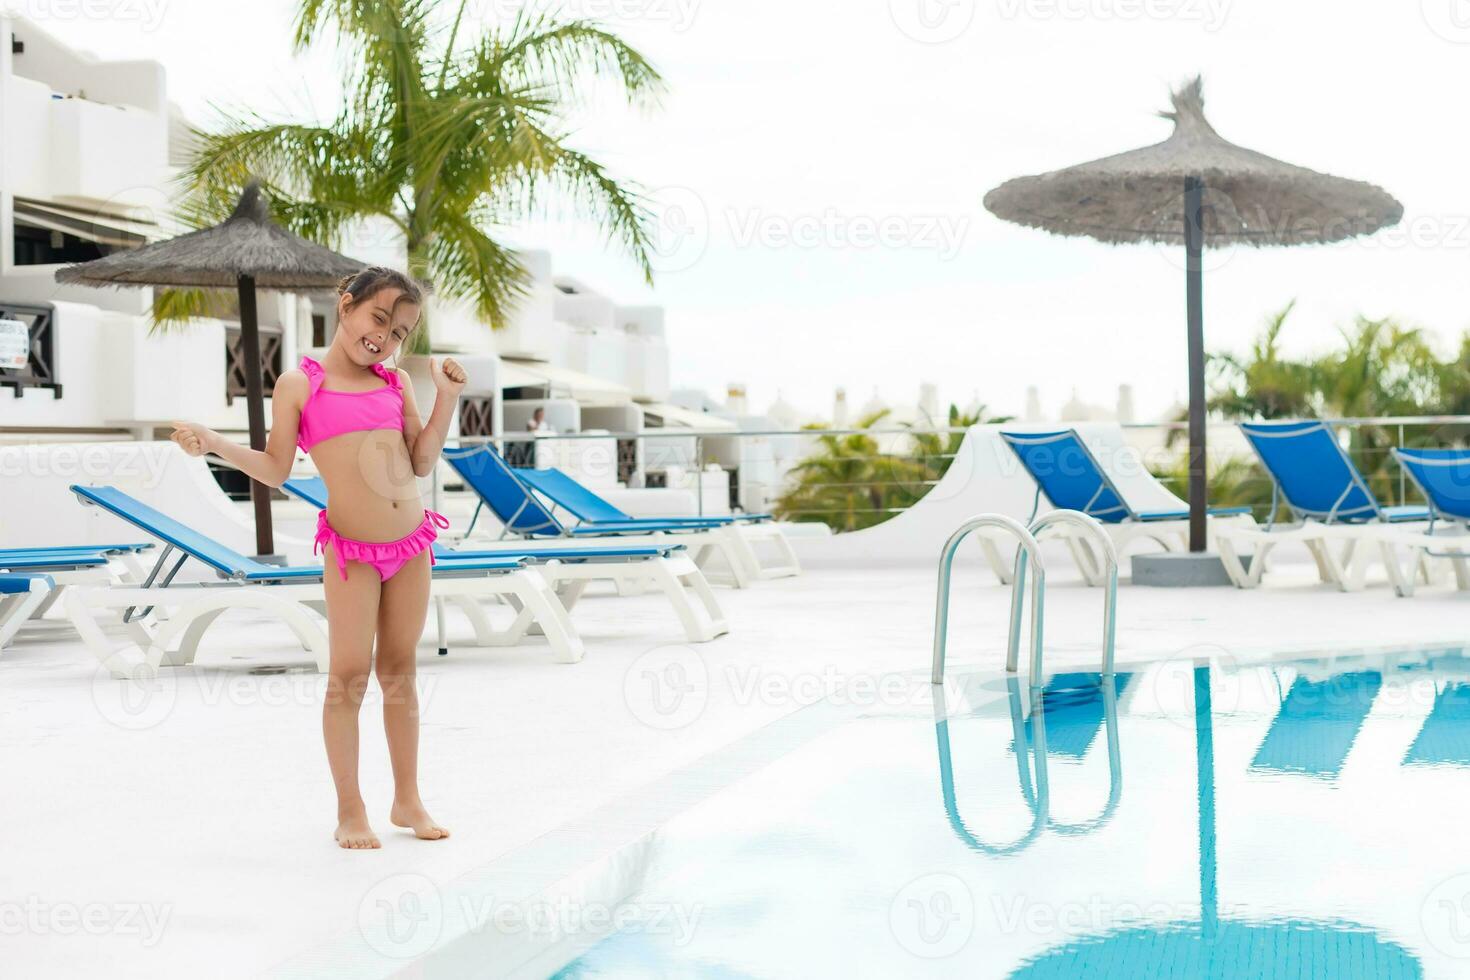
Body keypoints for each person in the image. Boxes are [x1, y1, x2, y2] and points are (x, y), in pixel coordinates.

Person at [169, 266, 466, 850]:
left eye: (400, 331)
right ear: (346, 304)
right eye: (379, 318)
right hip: (352, 554)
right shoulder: (300, 384)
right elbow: (276, 468)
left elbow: (423, 462)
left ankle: (407, 799)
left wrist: (447, 398)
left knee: (400, 673)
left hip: (411, 548)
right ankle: (350, 809)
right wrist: (216, 443)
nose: (385, 336)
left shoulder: (394, 384)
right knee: (348, 678)